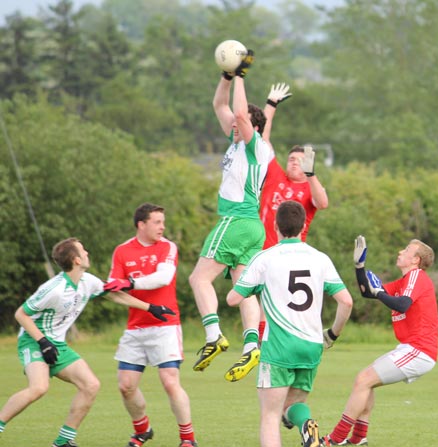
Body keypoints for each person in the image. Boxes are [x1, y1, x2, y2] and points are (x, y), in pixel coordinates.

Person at [0, 237, 167, 447]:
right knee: (39, 388)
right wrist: (43, 342)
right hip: (33, 341)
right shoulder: (55, 289)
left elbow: (115, 296)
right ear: (76, 260)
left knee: (90, 385)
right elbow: (21, 314)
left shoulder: (88, 281)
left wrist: (150, 308)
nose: (87, 252)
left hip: (56, 344)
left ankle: (63, 441)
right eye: (83, 251)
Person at [226, 201, 353, 447]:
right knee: (293, 406)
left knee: (270, 416)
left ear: (275, 226)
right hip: (312, 345)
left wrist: (252, 284)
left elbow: (233, 299)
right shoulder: (320, 258)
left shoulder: (265, 258)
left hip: (279, 348)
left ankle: (306, 427)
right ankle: (307, 426)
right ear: (304, 225)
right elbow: (346, 302)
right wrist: (333, 334)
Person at [189, 49, 272, 382]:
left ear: (252, 127)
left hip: (235, 221)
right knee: (244, 289)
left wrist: (240, 75)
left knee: (199, 278)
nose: (234, 126)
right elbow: (220, 107)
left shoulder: (254, 145)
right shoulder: (240, 143)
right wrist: (226, 76)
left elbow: (238, 112)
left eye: (241, 125)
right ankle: (251, 345)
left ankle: (213, 336)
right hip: (253, 227)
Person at [322, 236, 438, 446]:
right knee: (366, 383)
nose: (400, 252)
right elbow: (368, 293)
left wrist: (379, 293)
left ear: (416, 260)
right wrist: (360, 267)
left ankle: (335, 438)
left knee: (363, 380)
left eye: (406, 250)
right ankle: (358, 438)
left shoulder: (417, 276)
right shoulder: (404, 282)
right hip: (410, 348)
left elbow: (402, 304)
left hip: (419, 350)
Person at [103, 203, 197, 447]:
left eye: (163, 222)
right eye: (157, 222)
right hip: (135, 328)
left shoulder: (167, 246)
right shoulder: (122, 251)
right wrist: (125, 288)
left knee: (169, 381)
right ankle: (142, 430)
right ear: (141, 224)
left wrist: (129, 282)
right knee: (126, 386)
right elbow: (113, 292)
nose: (162, 227)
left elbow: (162, 278)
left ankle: (188, 439)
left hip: (166, 325)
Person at [258, 84, 329, 340]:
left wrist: (312, 175)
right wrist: (271, 105)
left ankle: (269, 343)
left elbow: (323, 203)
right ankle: (259, 344)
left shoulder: (309, 187)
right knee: (262, 302)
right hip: (262, 249)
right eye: (291, 159)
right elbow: (263, 140)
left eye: (299, 160)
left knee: (279, 304)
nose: (293, 162)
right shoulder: (276, 175)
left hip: (290, 254)